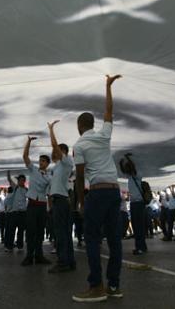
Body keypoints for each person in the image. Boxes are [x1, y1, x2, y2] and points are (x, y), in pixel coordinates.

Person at [72, 75, 123, 303]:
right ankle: (113, 285)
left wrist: (82, 202)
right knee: (114, 240)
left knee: (92, 238)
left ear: (79, 127)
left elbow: (80, 175)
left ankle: (96, 287)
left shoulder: (79, 145)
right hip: (114, 191)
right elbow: (109, 111)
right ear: (93, 125)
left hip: (98, 192)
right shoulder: (104, 134)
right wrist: (108, 87)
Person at [47, 120, 76, 273]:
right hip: (60, 200)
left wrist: (51, 130)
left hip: (61, 201)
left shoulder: (67, 161)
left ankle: (63, 262)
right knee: (64, 232)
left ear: (62, 151)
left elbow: (54, 146)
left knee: (60, 232)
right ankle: (69, 261)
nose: (54, 152)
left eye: (57, 150)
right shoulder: (58, 166)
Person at [21, 135, 51, 266]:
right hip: (32, 204)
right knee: (31, 231)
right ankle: (29, 256)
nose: (41, 162)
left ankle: (39, 256)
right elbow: (25, 157)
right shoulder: (33, 170)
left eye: (43, 161)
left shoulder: (50, 177)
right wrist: (28, 142)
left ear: (47, 164)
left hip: (42, 206)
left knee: (40, 232)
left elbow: (50, 192)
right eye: (40, 160)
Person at [119, 153, 148, 254]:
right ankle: (141, 247)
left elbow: (132, 167)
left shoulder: (137, 175)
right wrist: (121, 163)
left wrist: (127, 158)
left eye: (128, 168)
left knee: (138, 226)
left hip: (138, 203)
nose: (126, 170)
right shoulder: (130, 177)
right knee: (136, 226)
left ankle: (141, 248)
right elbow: (124, 170)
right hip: (134, 204)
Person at [5, 172, 28, 252]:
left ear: (24, 181)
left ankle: (20, 245)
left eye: (21, 180)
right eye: (19, 180)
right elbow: (9, 180)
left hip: (22, 213)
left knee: (21, 230)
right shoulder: (15, 188)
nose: (20, 182)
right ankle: (10, 246)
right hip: (14, 213)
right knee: (12, 230)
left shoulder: (26, 190)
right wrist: (8, 173)